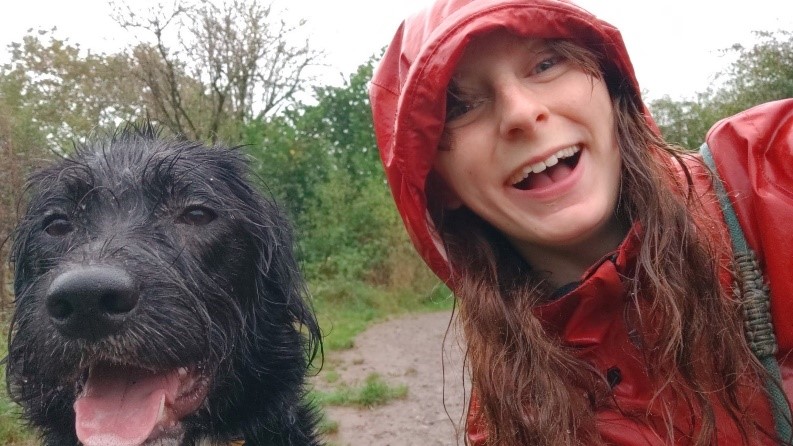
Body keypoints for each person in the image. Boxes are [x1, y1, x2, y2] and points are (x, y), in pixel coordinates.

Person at [368, 0, 793, 444]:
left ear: (610, 87)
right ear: (440, 185)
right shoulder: (508, 421)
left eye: (546, 64)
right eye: (460, 106)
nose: (519, 113)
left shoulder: (770, 171)